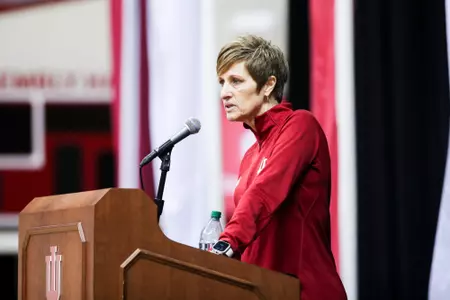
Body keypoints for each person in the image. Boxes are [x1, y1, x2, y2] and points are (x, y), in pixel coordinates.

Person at [209, 35, 347, 300]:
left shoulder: (300, 126)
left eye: (236, 81)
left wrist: (226, 242)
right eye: (222, 82)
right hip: (263, 292)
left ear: (268, 85)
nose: (224, 92)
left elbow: (265, 192)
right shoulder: (250, 155)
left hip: (306, 291)